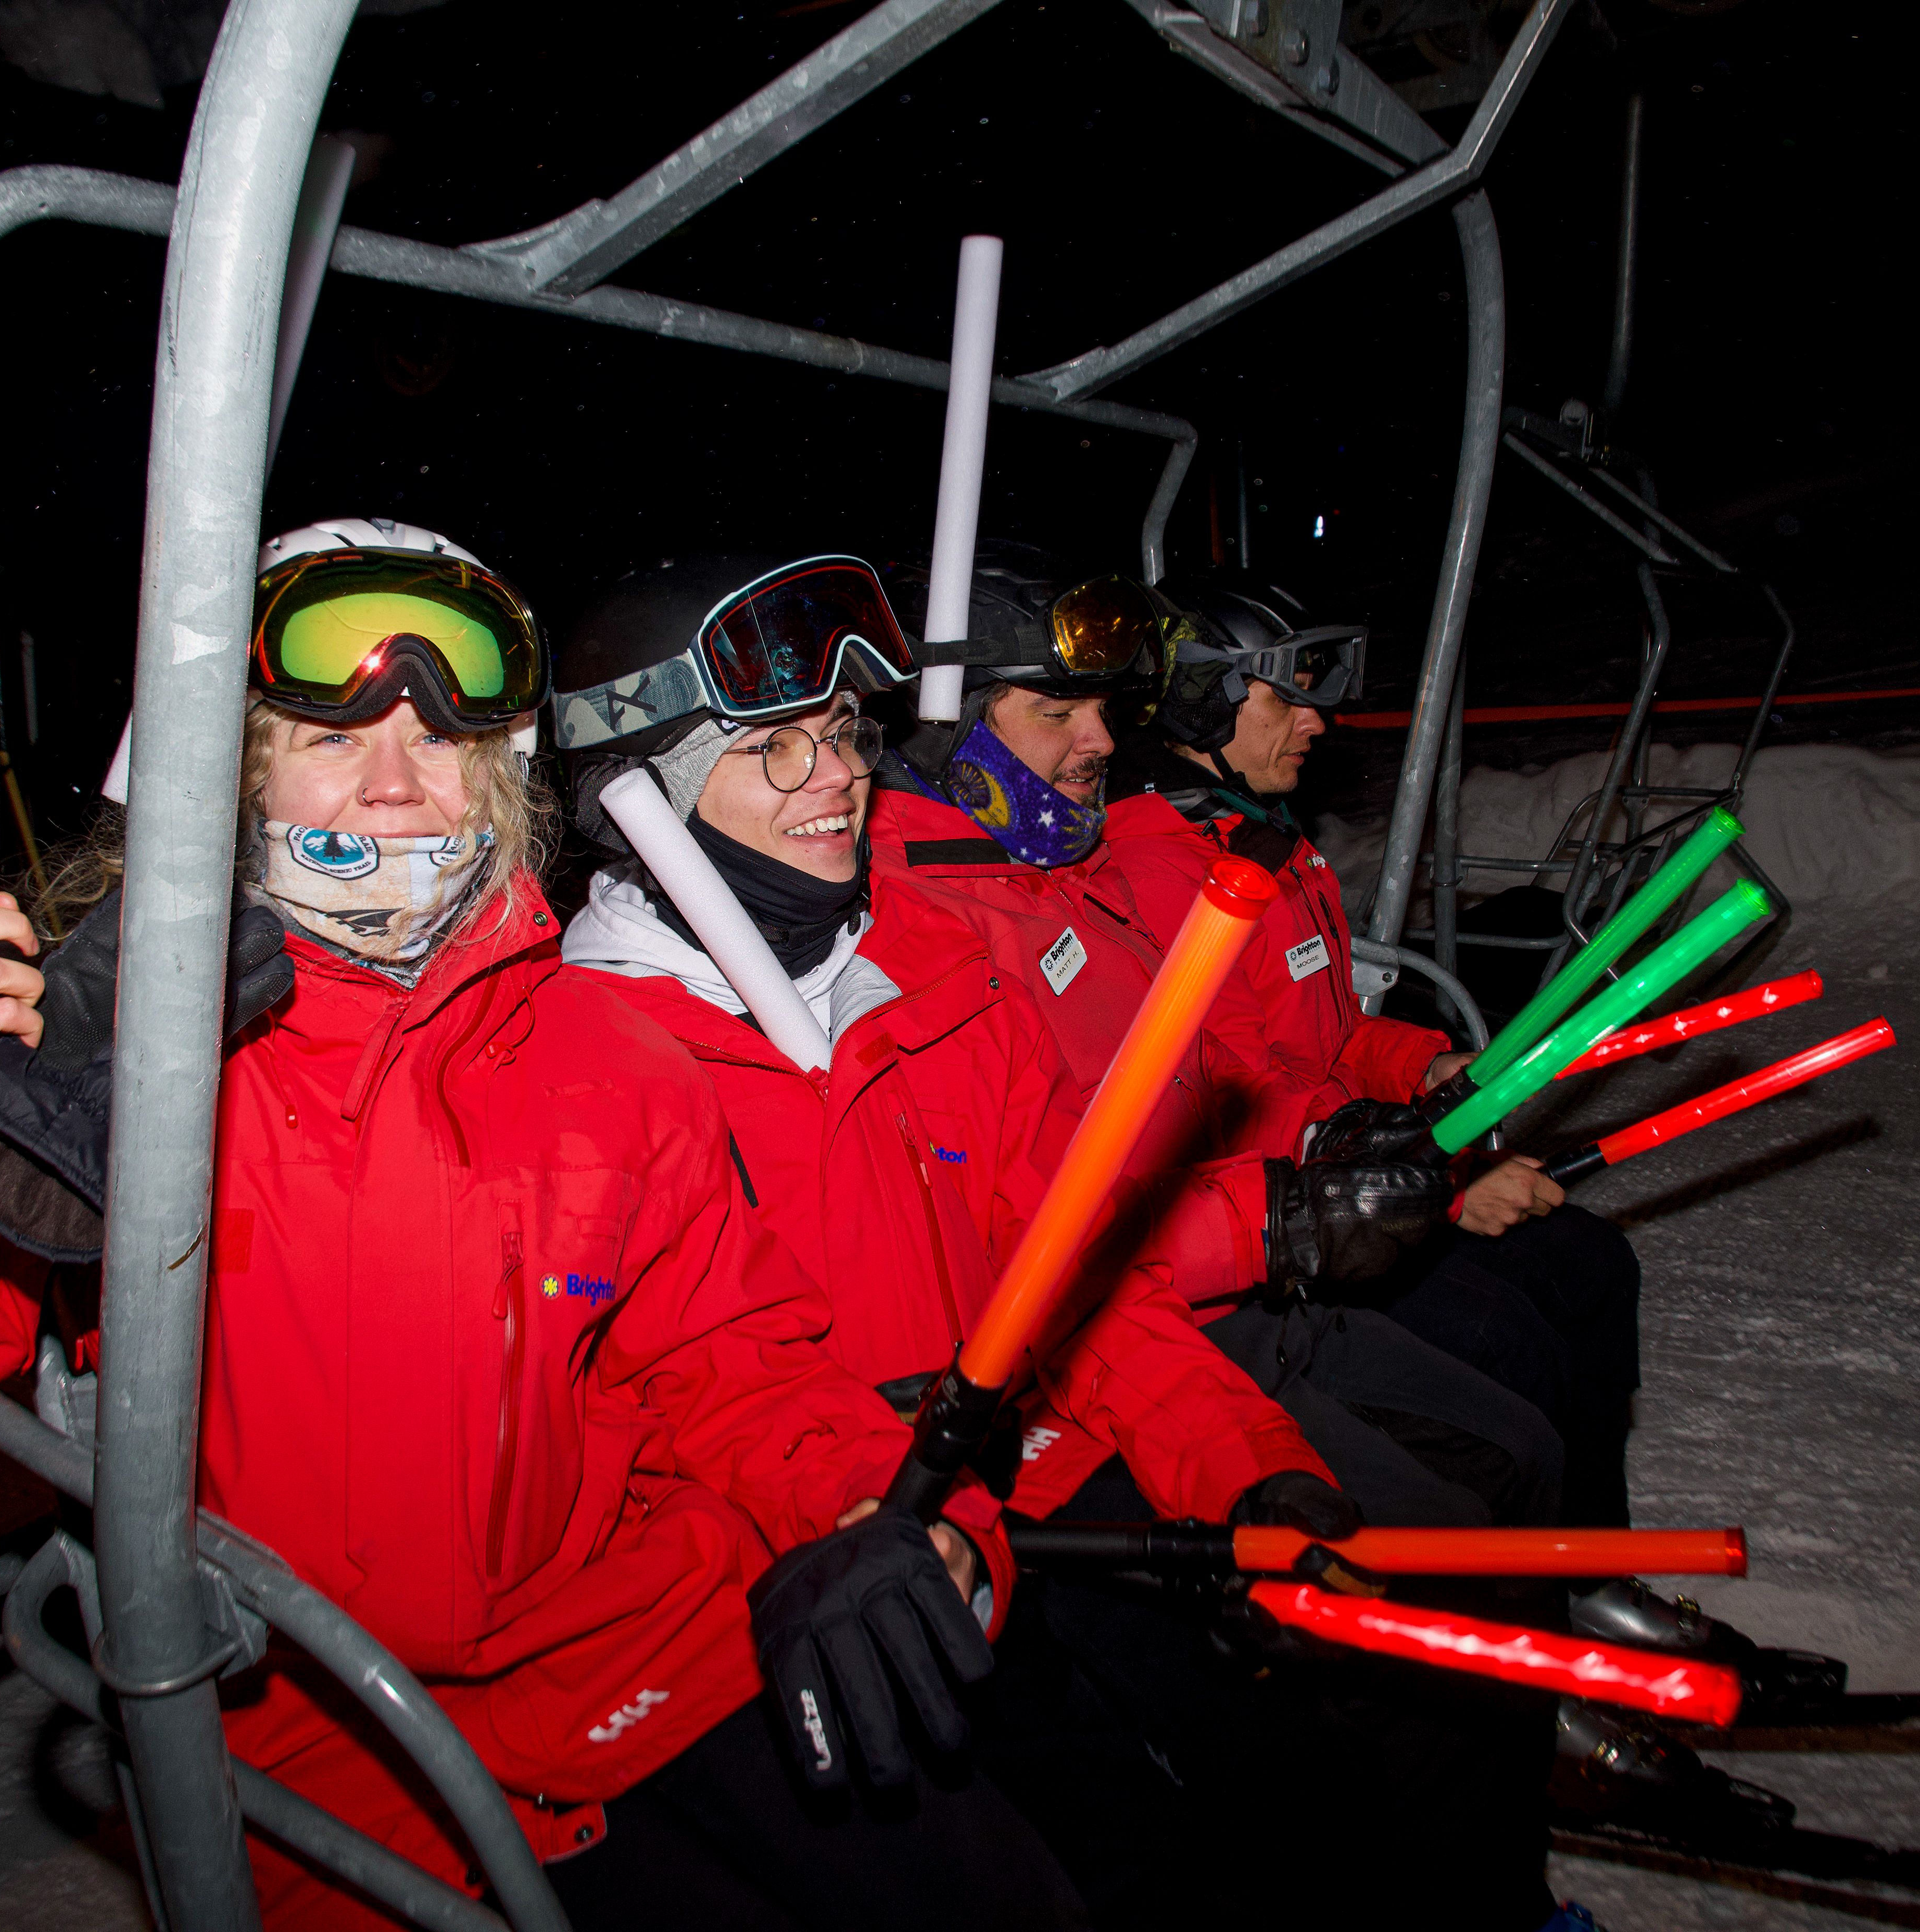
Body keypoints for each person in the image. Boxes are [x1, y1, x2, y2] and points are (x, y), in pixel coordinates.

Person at [0, 518, 1084, 1931]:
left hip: (656, 1658)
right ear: (226, 781)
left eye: (439, 742)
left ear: (497, 779)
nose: (392, 783)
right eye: (330, 738)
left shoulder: (604, 1055)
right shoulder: (113, 1072)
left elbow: (730, 1359)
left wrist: (879, 1513)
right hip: (336, 1747)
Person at [547, 551, 1574, 1932]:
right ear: (644, 794)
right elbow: (667, 1408)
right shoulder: (584, 1061)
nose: (836, 775)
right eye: (773, 749)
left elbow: (1075, 1278)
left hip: (1032, 1479)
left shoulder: (924, 976)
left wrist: (1249, 1471)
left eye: (843, 731)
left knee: (1321, 1776)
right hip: (827, 1579)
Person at [872, 544, 1567, 1533]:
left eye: (1102, 709)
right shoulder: (928, 927)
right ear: (945, 729)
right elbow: (1039, 1216)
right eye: (1058, 712)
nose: (1102, 740)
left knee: (1518, 1445)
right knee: (1442, 1518)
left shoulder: (1068, 875)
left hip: (1230, 1281)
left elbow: (1207, 1083)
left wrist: (1360, 1117)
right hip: (1141, 1331)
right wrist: (1293, 1200)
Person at [1106, 570, 1645, 1531]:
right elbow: (1230, 1095)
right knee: (1513, 1346)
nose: (1316, 723)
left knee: (1592, 1266)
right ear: (1203, 697)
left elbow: (1329, 1036)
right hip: (1294, 1209)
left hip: (1345, 1166)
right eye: (1288, 697)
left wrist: (1425, 1070)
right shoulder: (1163, 867)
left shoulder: (1266, 837)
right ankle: (1540, 1576)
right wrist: (1430, 1176)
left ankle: (1594, 1564)